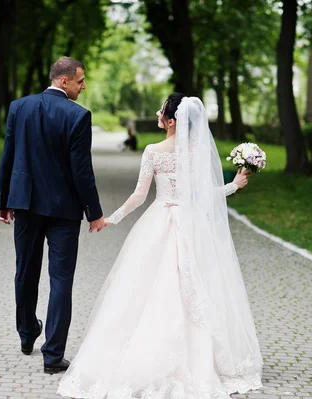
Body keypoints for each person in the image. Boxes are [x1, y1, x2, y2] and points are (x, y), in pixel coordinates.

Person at [57, 94, 263, 397]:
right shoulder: (197, 152)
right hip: (192, 226)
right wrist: (234, 185)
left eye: (162, 110)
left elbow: (140, 196)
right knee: (197, 286)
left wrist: (109, 219)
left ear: (171, 120)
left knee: (149, 288)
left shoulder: (153, 151)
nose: (157, 113)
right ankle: (202, 359)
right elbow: (204, 193)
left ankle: (150, 357)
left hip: (160, 222)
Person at [0, 56, 105, 375]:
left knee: (25, 272)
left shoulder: (19, 107)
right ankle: (53, 355)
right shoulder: (78, 116)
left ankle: (27, 334)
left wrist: (4, 202)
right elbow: (82, 172)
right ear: (63, 81)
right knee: (61, 280)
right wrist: (94, 213)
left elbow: (8, 157)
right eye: (80, 80)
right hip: (64, 210)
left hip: (25, 205)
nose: (83, 85)